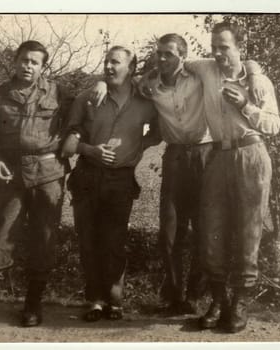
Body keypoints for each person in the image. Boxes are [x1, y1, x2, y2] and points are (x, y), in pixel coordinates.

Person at [90, 33, 266, 315]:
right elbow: (119, 80)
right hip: (174, 156)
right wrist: (100, 80)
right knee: (170, 231)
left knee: (206, 229)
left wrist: (255, 74)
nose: (161, 59)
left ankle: (198, 297)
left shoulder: (200, 73)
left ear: (183, 57)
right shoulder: (148, 84)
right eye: (159, 53)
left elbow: (240, 61)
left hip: (206, 154)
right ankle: (174, 297)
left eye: (168, 54)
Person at [0, 40, 72, 328]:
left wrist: (74, 138)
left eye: (34, 62)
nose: (28, 66)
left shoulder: (60, 94)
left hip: (48, 174)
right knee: (0, 236)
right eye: (24, 60)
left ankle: (33, 304)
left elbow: (80, 122)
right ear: (15, 61)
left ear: (43, 66)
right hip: (11, 175)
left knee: (44, 239)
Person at [187, 22, 280, 333]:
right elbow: (171, 60)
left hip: (251, 154)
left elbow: (273, 125)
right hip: (218, 155)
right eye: (214, 46)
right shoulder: (206, 68)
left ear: (239, 47)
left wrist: (246, 104)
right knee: (211, 228)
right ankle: (218, 301)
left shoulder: (259, 81)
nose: (217, 52)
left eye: (224, 47)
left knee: (248, 230)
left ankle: (239, 302)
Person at [61, 45, 160, 322]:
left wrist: (139, 145)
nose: (108, 67)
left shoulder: (145, 102)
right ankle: (93, 300)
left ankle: (115, 301)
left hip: (121, 179)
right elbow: (68, 145)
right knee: (89, 240)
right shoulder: (88, 98)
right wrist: (90, 150)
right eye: (106, 62)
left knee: (115, 242)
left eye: (115, 62)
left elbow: (159, 131)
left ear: (132, 67)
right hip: (88, 176)